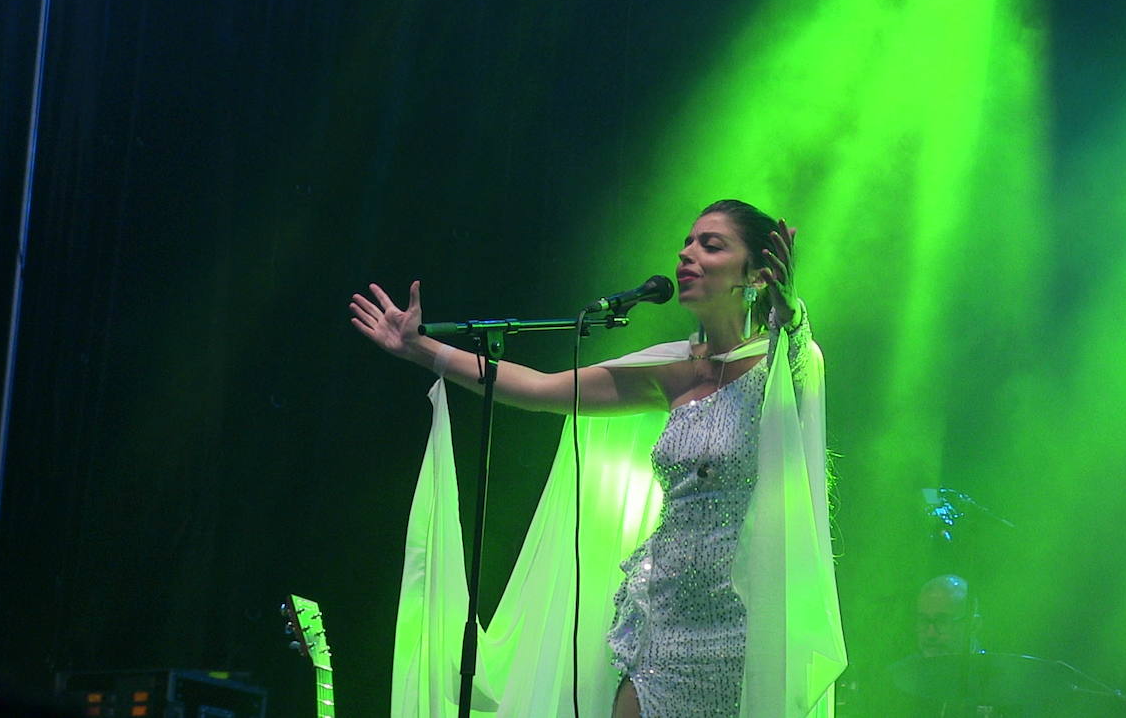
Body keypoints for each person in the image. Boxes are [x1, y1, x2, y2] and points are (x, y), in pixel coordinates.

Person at [350, 200, 845, 717]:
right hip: (664, 620)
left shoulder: (787, 364)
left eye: (711, 245)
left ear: (758, 274)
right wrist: (420, 349)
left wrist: (791, 313)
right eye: (687, 242)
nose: (686, 254)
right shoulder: (673, 369)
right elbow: (542, 388)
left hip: (744, 627)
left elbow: (797, 357)